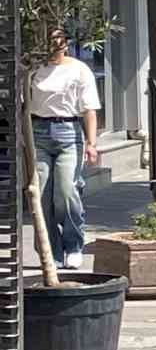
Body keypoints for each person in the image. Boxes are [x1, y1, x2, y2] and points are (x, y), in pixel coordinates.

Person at [29, 27, 99, 270]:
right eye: (50, 38)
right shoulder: (33, 69)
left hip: (69, 132)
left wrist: (91, 143)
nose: (55, 42)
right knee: (43, 195)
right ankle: (52, 251)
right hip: (38, 131)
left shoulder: (79, 69)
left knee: (67, 190)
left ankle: (74, 244)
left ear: (66, 42)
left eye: (59, 38)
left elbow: (89, 109)